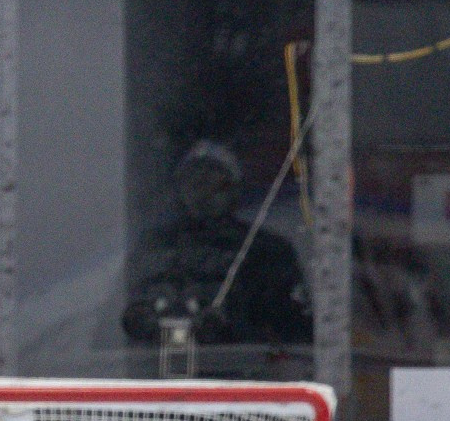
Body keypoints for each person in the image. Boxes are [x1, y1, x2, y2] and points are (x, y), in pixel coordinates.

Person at [121, 140, 311, 366]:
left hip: (246, 382)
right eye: (195, 182)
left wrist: (236, 328)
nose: (203, 193)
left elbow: (299, 338)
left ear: (235, 189)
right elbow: (114, 328)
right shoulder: (153, 247)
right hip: (154, 382)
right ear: (179, 189)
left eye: (216, 184)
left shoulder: (267, 250)